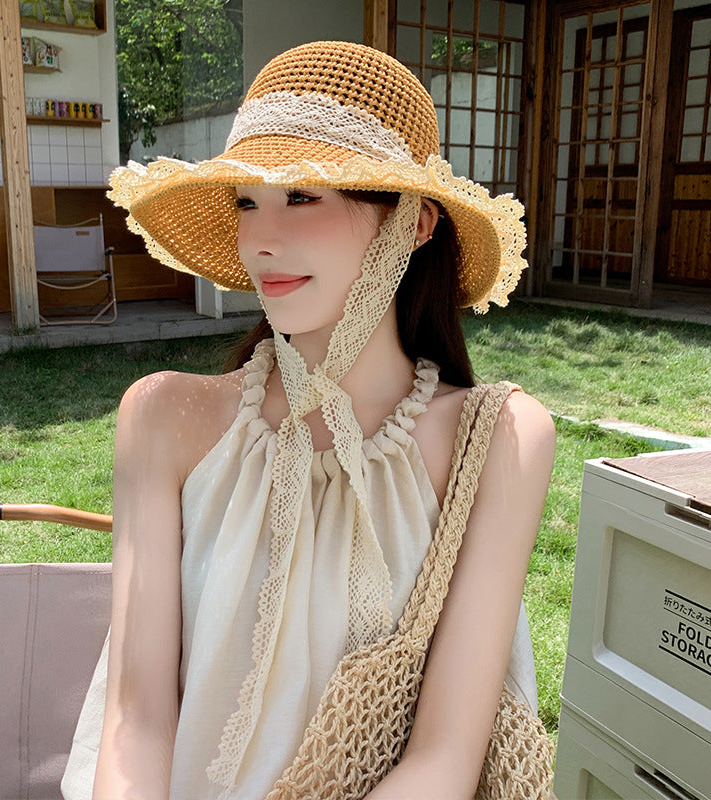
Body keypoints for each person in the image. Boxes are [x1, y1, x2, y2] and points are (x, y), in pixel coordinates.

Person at [61, 40, 555, 800]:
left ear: (416, 224)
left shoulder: (500, 440)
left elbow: (445, 761)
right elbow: (137, 718)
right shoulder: (162, 418)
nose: (260, 239)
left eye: (302, 196)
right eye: (246, 201)